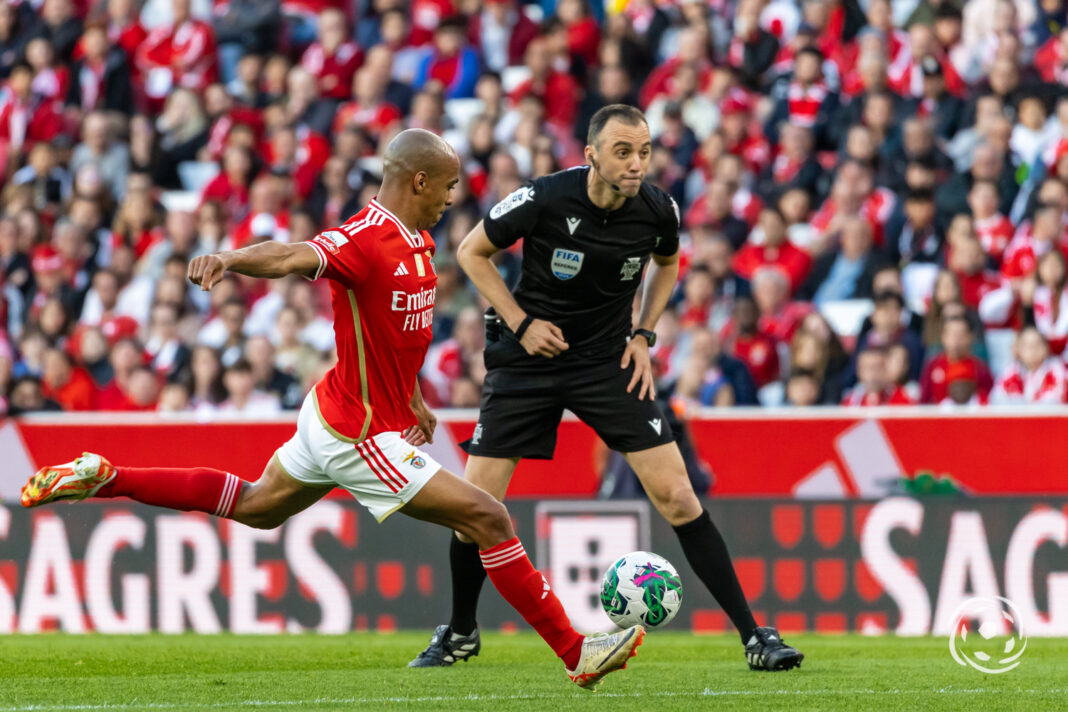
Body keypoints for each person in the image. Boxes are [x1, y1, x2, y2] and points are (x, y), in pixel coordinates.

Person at [19, 129, 644, 690]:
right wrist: (232, 259)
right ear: (419, 180)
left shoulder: (417, 240)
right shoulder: (364, 239)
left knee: (259, 506)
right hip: (356, 432)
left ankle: (105, 476)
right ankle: (575, 651)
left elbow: (395, 337)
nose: (454, 197)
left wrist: (416, 400)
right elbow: (294, 256)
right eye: (449, 186)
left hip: (340, 410)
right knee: (488, 517)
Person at [409, 105, 803, 672]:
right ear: (591, 155)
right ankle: (462, 632)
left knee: (679, 497)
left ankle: (754, 637)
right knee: (476, 506)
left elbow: (668, 265)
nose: (636, 163)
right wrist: (521, 323)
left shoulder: (657, 209)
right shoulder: (544, 196)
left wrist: (644, 332)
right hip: (528, 360)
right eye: (623, 151)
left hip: (608, 361)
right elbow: (472, 252)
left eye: (643, 151)